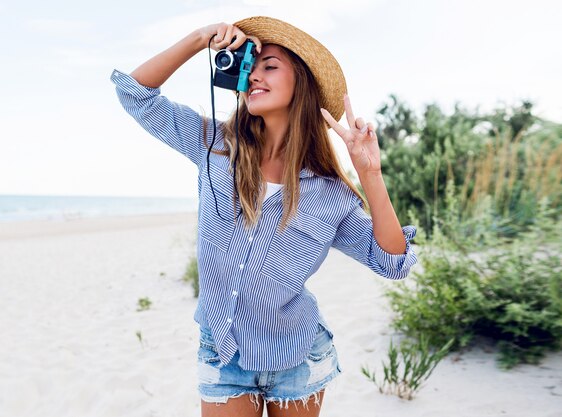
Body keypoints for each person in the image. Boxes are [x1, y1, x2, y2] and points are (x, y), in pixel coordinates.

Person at [111, 16, 417, 417]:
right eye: (251, 68)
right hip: (222, 352)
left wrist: (370, 174)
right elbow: (136, 94)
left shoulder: (330, 192)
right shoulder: (213, 146)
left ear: (301, 84)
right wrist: (202, 38)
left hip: (298, 356)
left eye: (270, 66)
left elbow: (392, 262)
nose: (254, 75)